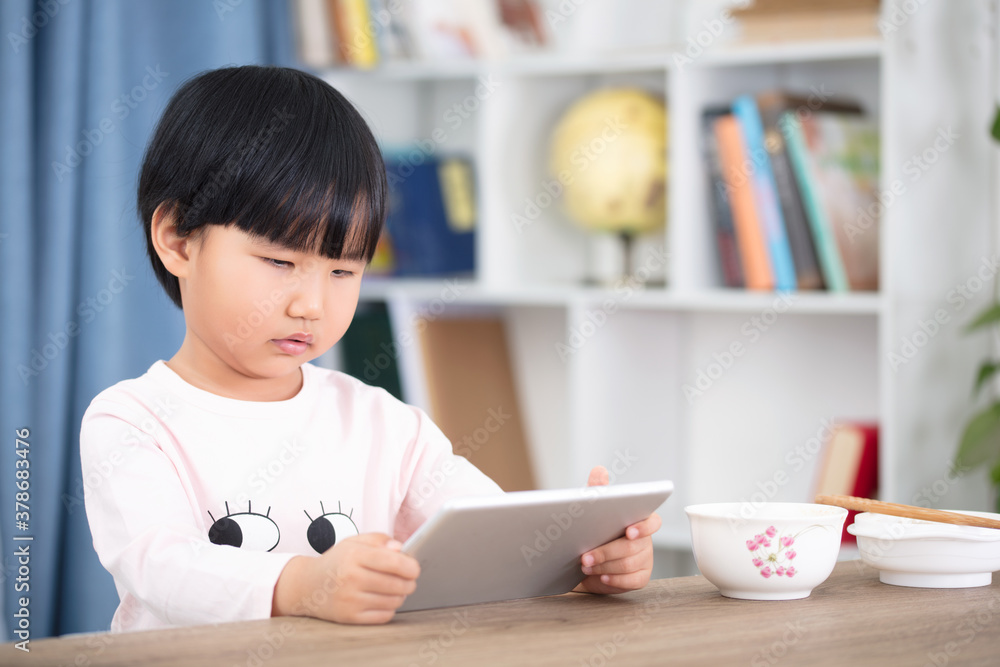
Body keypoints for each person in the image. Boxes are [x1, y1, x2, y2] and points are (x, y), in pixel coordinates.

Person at [80, 65, 661, 632]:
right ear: (177, 240)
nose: (311, 303)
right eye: (280, 261)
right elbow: (162, 569)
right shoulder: (132, 422)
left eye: (343, 271)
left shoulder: (383, 423)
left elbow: (480, 533)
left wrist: (578, 558)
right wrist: (304, 586)